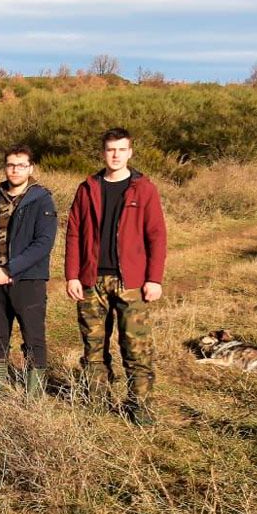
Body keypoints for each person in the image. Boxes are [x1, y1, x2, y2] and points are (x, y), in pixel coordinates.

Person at [64, 128, 167, 425]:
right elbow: (73, 233)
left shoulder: (143, 189)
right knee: (94, 347)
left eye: (121, 150)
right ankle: (97, 402)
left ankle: (140, 408)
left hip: (131, 282)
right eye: (110, 149)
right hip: (91, 280)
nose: (115, 155)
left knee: (136, 347)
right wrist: (72, 275)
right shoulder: (88, 188)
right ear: (103, 152)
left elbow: (157, 237)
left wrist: (154, 279)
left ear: (130, 152)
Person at [0, 145, 58, 397]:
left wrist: (10, 269)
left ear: (30, 168)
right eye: (10, 164)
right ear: (4, 167)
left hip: (28, 279)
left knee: (33, 337)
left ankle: (34, 394)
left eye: (21, 165)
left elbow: (43, 243)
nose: (15, 170)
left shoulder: (41, 199)